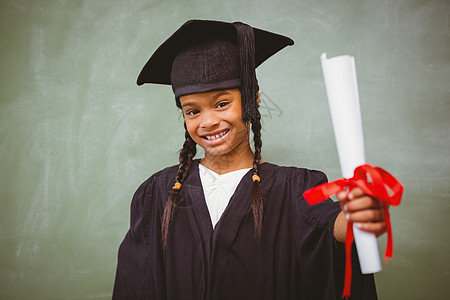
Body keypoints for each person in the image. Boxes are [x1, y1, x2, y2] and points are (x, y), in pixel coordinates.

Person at [113, 20, 385, 299]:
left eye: (222, 104)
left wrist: (354, 218)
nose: (208, 121)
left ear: (252, 100)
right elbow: (135, 283)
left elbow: (327, 231)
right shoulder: (158, 193)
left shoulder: (293, 187)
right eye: (192, 111)